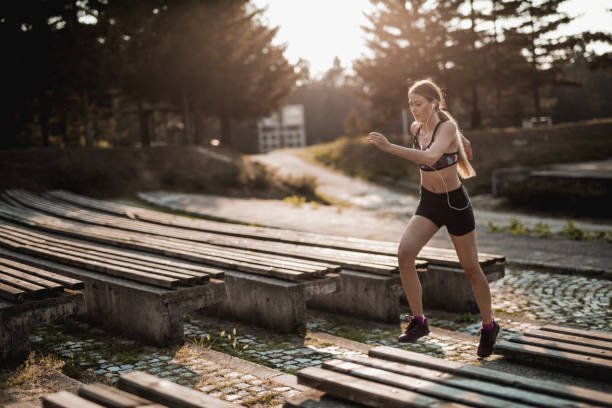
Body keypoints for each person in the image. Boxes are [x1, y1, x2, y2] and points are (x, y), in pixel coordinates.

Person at [367, 79, 500, 358]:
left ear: (433, 103)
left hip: (455, 204)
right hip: (429, 203)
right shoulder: (418, 128)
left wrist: (390, 147)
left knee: (471, 268)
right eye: (411, 104)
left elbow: (430, 157)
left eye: (419, 104)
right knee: (405, 254)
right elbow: (450, 141)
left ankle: (489, 327)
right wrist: (463, 142)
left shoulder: (446, 127)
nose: (414, 109)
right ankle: (419, 322)